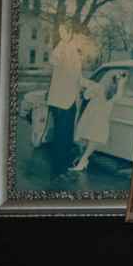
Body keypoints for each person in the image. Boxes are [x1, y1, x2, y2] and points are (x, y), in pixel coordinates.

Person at [46, 21, 85, 180]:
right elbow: (53, 60)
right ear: (74, 35)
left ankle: (62, 169)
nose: (83, 41)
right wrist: (63, 40)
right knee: (62, 137)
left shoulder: (74, 51)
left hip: (69, 101)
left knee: (66, 137)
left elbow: (76, 77)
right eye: (82, 37)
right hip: (61, 102)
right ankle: (57, 172)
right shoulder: (64, 49)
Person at [70, 71, 128, 172]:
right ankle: (83, 160)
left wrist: (88, 86)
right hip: (102, 119)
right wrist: (122, 83)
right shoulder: (115, 92)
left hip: (91, 117)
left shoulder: (98, 87)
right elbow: (119, 96)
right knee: (94, 140)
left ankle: (82, 160)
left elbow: (86, 95)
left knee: (84, 137)